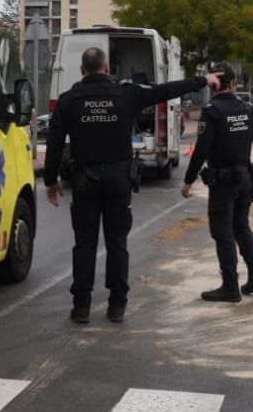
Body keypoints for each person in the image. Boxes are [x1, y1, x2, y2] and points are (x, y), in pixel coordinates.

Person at [43, 47, 219, 324]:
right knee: (117, 243)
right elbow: (166, 90)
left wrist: (51, 181)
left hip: (84, 180)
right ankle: (117, 306)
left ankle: (81, 307)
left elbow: (54, 144)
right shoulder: (128, 94)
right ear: (107, 69)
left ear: (81, 69)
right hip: (118, 179)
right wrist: (203, 80)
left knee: (84, 244)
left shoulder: (69, 100)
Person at [181, 64, 253, 303]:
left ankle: (230, 287)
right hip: (245, 178)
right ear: (233, 84)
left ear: (214, 86)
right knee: (242, 228)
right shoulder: (247, 108)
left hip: (223, 181)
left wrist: (188, 181)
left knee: (223, 232)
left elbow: (202, 150)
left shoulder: (212, 111)